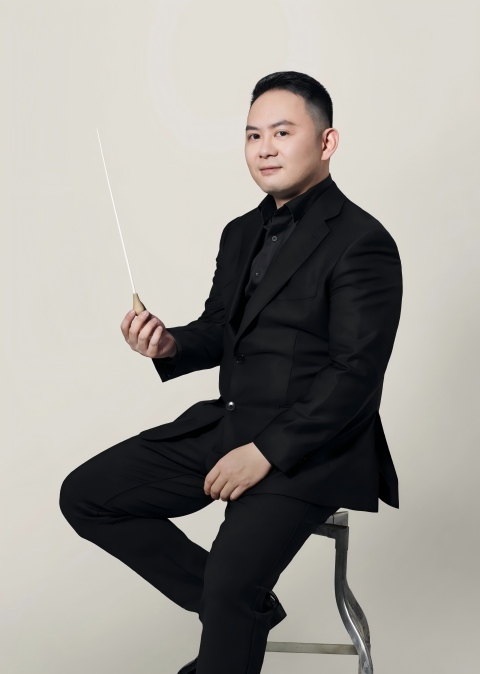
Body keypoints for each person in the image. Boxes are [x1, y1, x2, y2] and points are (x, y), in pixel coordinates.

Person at [59, 71, 403, 674]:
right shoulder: (241, 232)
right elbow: (221, 327)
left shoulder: (362, 241)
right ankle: (242, 609)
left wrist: (264, 453)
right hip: (231, 424)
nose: (265, 148)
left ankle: (232, 604)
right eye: (252, 135)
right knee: (87, 496)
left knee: (229, 587)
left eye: (282, 132)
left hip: (313, 448)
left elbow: (355, 375)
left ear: (327, 142)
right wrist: (168, 344)